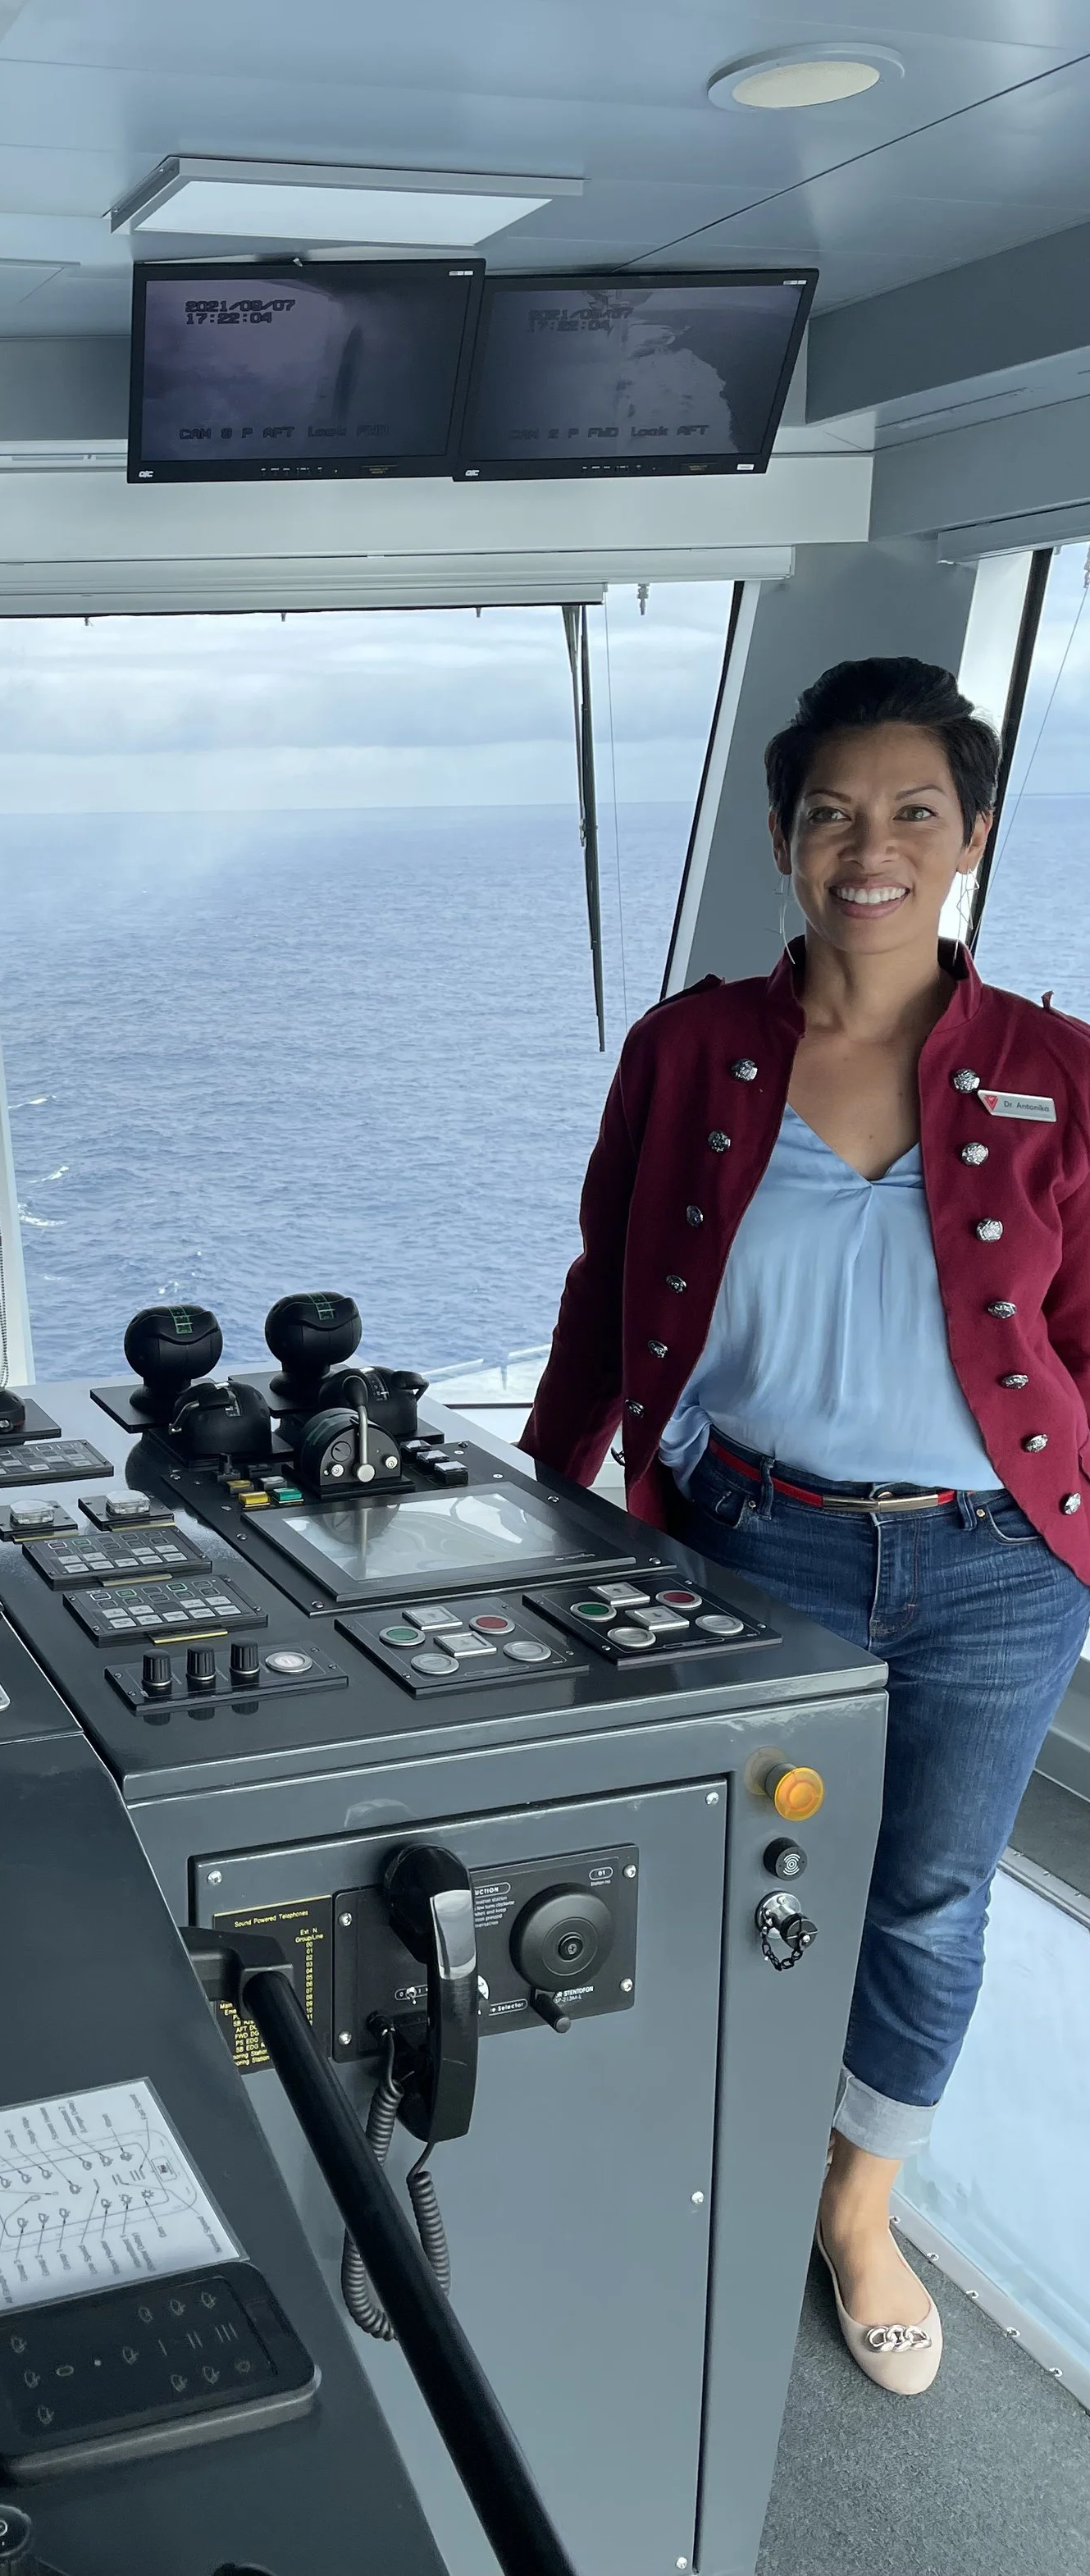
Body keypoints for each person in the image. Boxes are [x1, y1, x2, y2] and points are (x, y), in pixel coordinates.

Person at [522, 655, 1090, 2396]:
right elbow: (606, 1279)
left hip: (994, 1567)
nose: (870, 846)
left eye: (912, 810)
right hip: (747, 1541)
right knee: (727, 1876)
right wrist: (547, 1497)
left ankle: (855, 2205)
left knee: (922, 1900)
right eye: (831, 810)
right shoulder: (689, 1047)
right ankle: (714, 2146)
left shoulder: (1058, 1071)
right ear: (779, 835)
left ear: (969, 833)